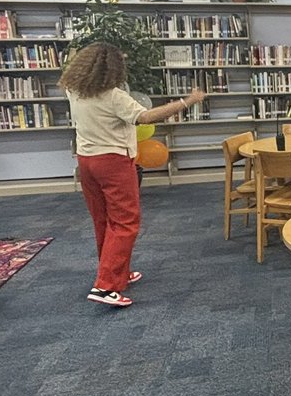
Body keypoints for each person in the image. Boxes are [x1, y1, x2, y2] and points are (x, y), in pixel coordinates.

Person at [60, 43, 206, 308]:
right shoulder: (113, 96)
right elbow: (146, 117)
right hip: (113, 161)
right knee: (126, 221)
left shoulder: (74, 90)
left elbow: (72, 69)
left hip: (86, 160)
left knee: (103, 220)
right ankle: (105, 286)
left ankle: (117, 272)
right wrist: (187, 101)